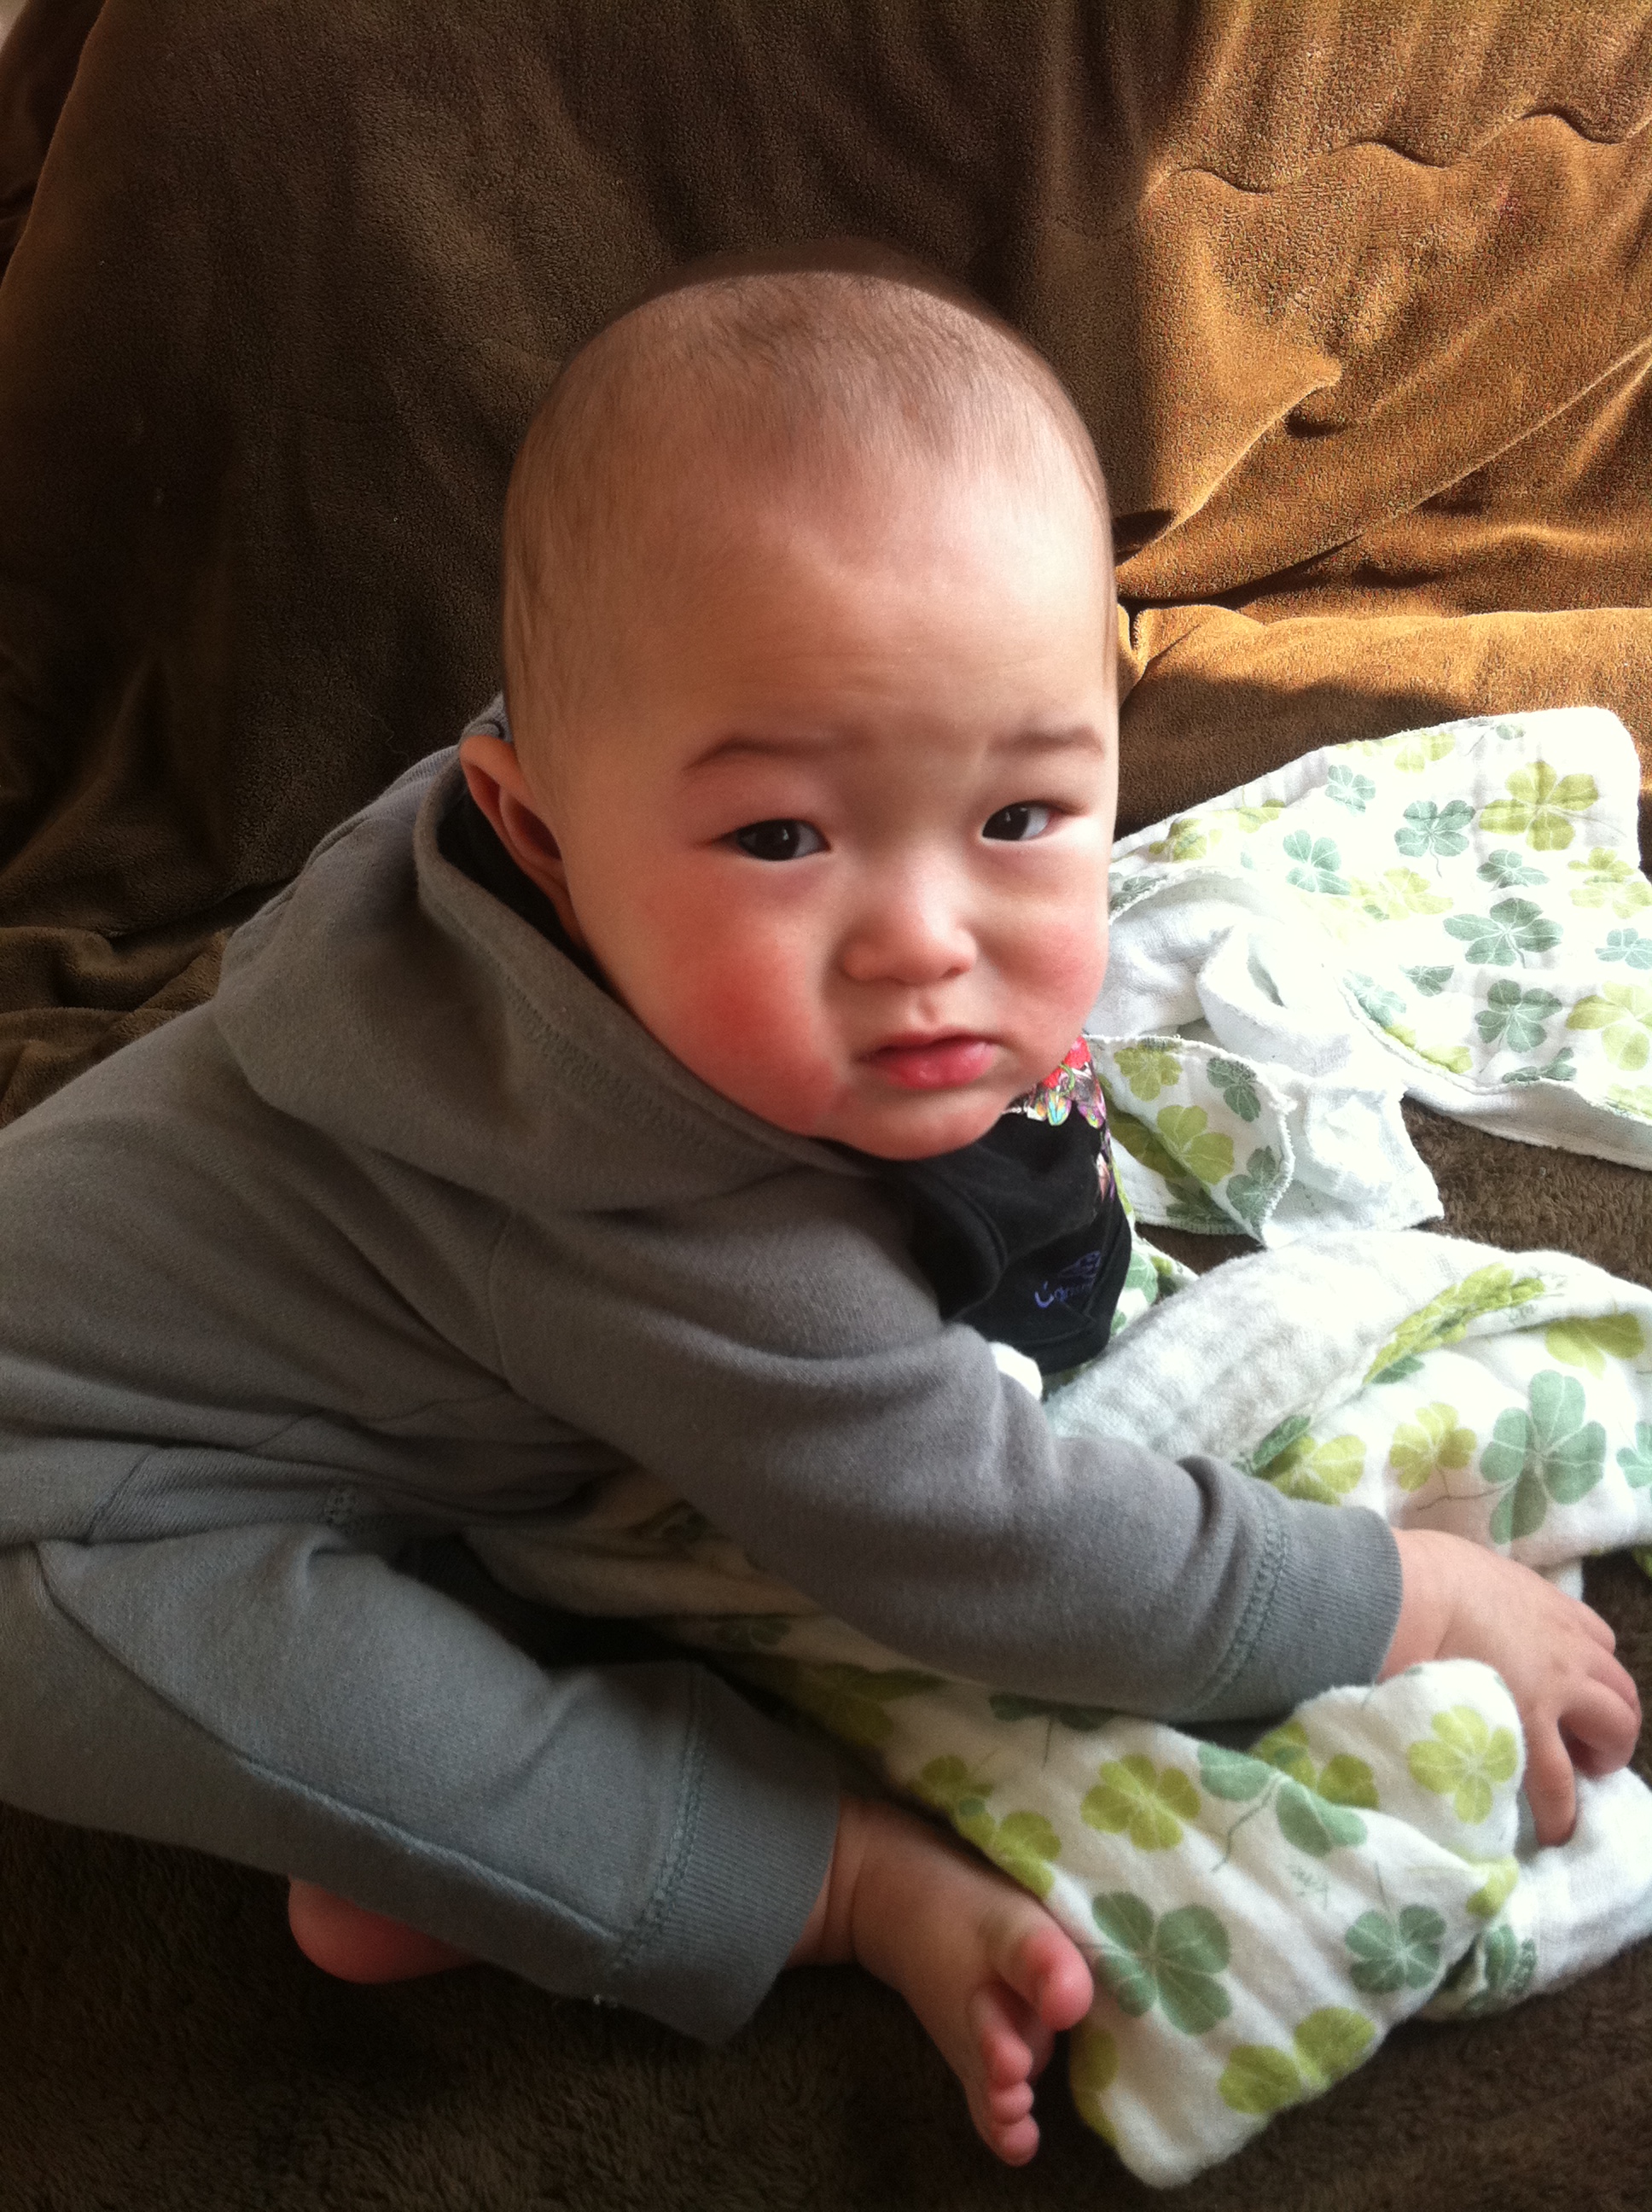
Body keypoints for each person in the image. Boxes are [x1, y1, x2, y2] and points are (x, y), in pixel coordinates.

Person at [0, 242, 1637, 2168]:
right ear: (536, 830)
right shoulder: (656, 1222)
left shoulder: (605, 878)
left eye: (1019, 817)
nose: (927, 943)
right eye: (782, 838)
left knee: (460, 1638)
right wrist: (1397, 1596)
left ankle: (401, 1821)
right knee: (420, 1752)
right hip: (74, 1507)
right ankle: (818, 1883)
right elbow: (1000, 1551)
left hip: (348, 1400)